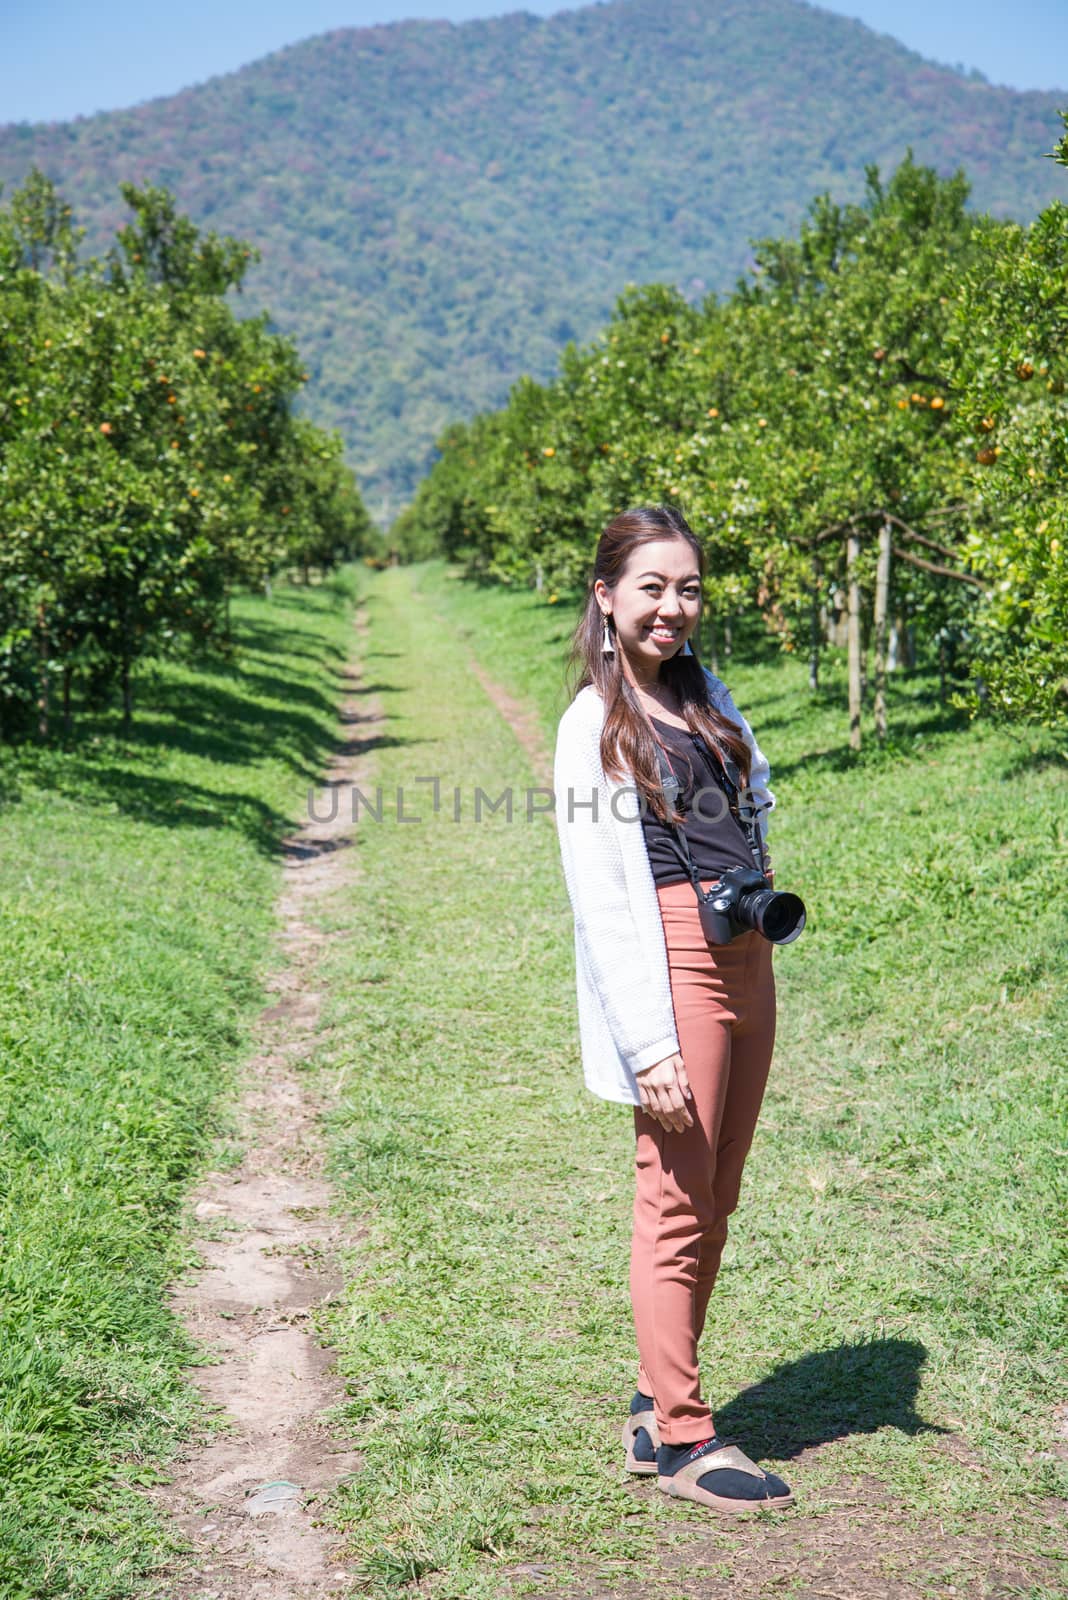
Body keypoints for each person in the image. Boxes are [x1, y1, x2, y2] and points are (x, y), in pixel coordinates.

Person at [552, 504, 794, 1515]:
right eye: (652, 586)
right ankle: (686, 1438)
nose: (672, 606)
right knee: (676, 1201)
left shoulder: (704, 695)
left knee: (718, 1193)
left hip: (744, 957)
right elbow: (600, 897)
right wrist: (647, 1042)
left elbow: (754, 798)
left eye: (688, 587)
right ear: (606, 595)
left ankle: (658, 1401)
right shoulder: (590, 725)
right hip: (671, 961)